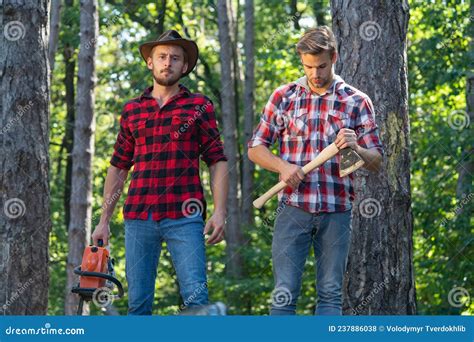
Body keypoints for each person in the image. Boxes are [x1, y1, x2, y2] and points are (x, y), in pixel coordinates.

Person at [247, 26, 383, 315]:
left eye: (321, 65)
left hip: (337, 211)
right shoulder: (284, 97)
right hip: (292, 208)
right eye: (308, 66)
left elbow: (376, 161)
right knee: (284, 294)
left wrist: (356, 148)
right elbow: (255, 148)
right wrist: (283, 166)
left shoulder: (356, 101)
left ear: (333, 57)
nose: (315, 73)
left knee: (331, 294)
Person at [92, 30, 229, 315]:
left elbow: (217, 159)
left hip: (185, 217)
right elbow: (118, 166)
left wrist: (219, 212)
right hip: (138, 217)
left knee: (196, 301)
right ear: (150, 63)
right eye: (162, 56)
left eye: (175, 58)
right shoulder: (132, 110)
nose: (168, 62)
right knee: (138, 305)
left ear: (184, 66)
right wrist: (103, 220)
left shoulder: (199, 106)